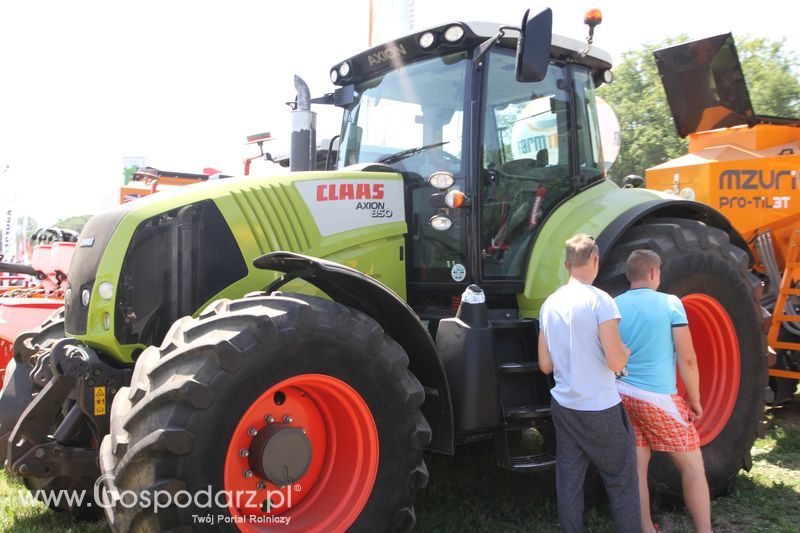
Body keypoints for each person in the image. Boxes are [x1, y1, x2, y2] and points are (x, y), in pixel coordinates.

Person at [538, 234, 640, 533]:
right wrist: (625, 352)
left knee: (568, 482)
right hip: (600, 408)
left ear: (566, 264)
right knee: (621, 481)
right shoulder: (601, 301)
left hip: (565, 406)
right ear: (595, 260)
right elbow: (616, 362)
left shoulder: (549, 304)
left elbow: (545, 364)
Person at [614, 249, 712, 533]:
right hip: (658, 398)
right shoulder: (671, 304)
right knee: (693, 467)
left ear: (630, 274)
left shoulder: (614, 305)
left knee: (637, 468)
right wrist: (694, 399)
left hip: (621, 394)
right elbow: (688, 358)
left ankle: (645, 528)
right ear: (655, 273)